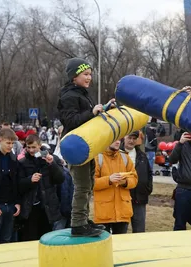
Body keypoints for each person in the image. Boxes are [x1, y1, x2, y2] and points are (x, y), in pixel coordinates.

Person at [57, 57, 114, 237]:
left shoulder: (81, 93)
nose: (89, 78)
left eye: (90, 74)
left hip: (86, 146)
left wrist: (103, 108)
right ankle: (78, 224)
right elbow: (72, 121)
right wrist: (92, 112)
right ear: (74, 76)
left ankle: (83, 219)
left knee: (89, 184)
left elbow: (87, 119)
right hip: (76, 147)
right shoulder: (69, 96)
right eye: (85, 74)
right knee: (81, 186)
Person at [93, 140, 138, 234]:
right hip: (104, 213)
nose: (118, 142)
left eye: (119, 139)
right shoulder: (97, 158)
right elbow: (91, 183)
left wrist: (125, 182)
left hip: (123, 212)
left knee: (121, 245)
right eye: (114, 139)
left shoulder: (125, 158)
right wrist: (109, 180)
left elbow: (134, 179)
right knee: (104, 245)